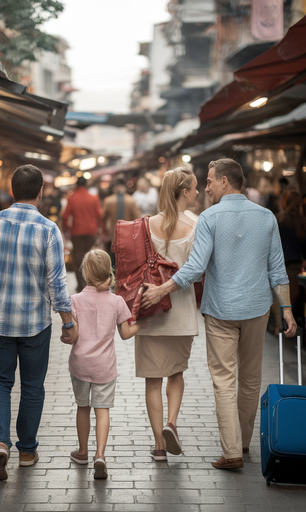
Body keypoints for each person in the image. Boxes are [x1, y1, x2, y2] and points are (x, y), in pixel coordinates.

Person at [141, 158, 297, 470]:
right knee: (251, 378)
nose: (207, 187)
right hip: (256, 310)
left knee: (224, 380)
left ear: (225, 182)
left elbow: (195, 268)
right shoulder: (266, 217)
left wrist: (160, 290)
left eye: (210, 181)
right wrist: (287, 310)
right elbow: (277, 270)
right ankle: (243, 442)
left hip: (221, 311)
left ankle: (232, 451)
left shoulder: (210, 218)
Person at [0, 164, 78, 481]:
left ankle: (0, 442)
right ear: (40, 192)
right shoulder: (49, 230)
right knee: (33, 387)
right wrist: (68, 322)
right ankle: (26, 450)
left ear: (12, 191)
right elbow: (57, 284)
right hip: (36, 324)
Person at [133, 168, 200, 462]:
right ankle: (172, 422)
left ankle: (159, 444)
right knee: (176, 373)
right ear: (184, 192)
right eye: (195, 188)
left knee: (152, 380)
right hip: (182, 311)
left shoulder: (146, 225)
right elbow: (198, 269)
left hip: (150, 309)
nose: (198, 193)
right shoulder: (196, 224)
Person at [67, 249, 141, 479]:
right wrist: (145, 324)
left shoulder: (75, 300)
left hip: (80, 365)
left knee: (82, 407)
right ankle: (100, 454)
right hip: (105, 367)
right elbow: (126, 333)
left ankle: (82, 451)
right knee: (102, 410)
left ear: (85, 272)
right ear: (109, 270)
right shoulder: (117, 301)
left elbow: (72, 335)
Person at [276, 191, 306, 329]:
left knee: (282, 296)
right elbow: (304, 247)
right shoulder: (301, 221)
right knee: (294, 297)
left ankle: (282, 326)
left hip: (280, 265)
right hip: (295, 266)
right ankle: (293, 326)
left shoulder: (279, 219)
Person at [62, 176, 102, 292]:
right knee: (90, 257)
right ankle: (91, 284)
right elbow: (99, 216)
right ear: (86, 185)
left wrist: (66, 230)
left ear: (76, 185)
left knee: (78, 259)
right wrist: (100, 230)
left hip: (77, 232)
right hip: (91, 232)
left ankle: (81, 285)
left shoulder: (72, 198)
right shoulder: (94, 198)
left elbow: (65, 216)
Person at [102, 177, 141, 265]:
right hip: (129, 237)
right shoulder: (131, 201)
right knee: (128, 262)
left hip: (113, 236)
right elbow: (138, 219)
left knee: (114, 262)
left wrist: (105, 233)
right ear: (125, 187)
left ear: (115, 188)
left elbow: (103, 218)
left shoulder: (108, 201)